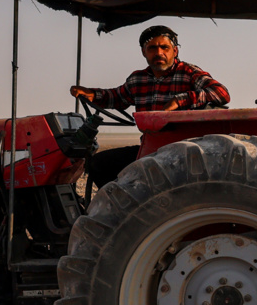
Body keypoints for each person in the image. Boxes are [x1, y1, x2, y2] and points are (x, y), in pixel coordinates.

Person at [69, 25, 230, 187]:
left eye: (164, 47)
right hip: (150, 150)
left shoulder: (189, 73)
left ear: (175, 51)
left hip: (183, 153)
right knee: (98, 164)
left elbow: (221, 93)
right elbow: (117, 97)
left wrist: (180, 100)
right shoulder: (137, 79)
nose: (159, 53)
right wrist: (92, 94)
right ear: (144, 52)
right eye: (152, 48)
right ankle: (120, 203)